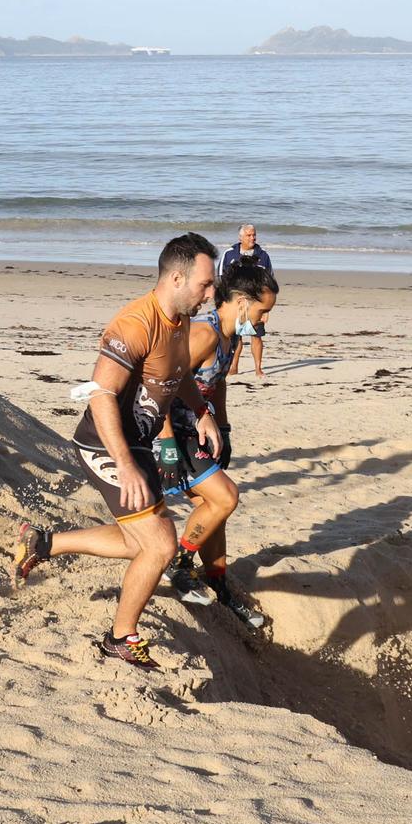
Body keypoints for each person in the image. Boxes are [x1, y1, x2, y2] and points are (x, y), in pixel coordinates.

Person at [10, 233, 220, 670]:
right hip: (106, 444)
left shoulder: (180, 321)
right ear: (177, 278)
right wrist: (124, 465)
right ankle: (119, 638)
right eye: (205, 284)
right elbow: (100, 394)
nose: (211, 293)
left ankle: (43, 543)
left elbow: (175, 373)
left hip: (138, 443)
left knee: (137, 542)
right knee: (160, 546)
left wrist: (201, 411)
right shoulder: (134, 324)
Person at [159, 258, 276, 629]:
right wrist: (165, 443)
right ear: (241, 301)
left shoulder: (229, 337)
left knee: (214, 510)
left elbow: (218, 382)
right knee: (226, 496)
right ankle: (177, 564)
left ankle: (218, 583)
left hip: (195, 429)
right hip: (168, 431)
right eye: (262, 311)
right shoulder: (204, 334)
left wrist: (223, 428)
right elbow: (161, 381)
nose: (265, 320)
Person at [220, 225, 278, 380]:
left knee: (256, 336)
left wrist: (266, 311)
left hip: (256, 304)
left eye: (254, 235)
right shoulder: (229, 254)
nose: (253, 238)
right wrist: (224, 303)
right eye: (249, 235)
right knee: (235, 337)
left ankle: (258, 369)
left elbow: (270, 283)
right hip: (235, 303)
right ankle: (234, 366)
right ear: (241, 237)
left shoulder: (263, 256)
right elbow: (222, 279)